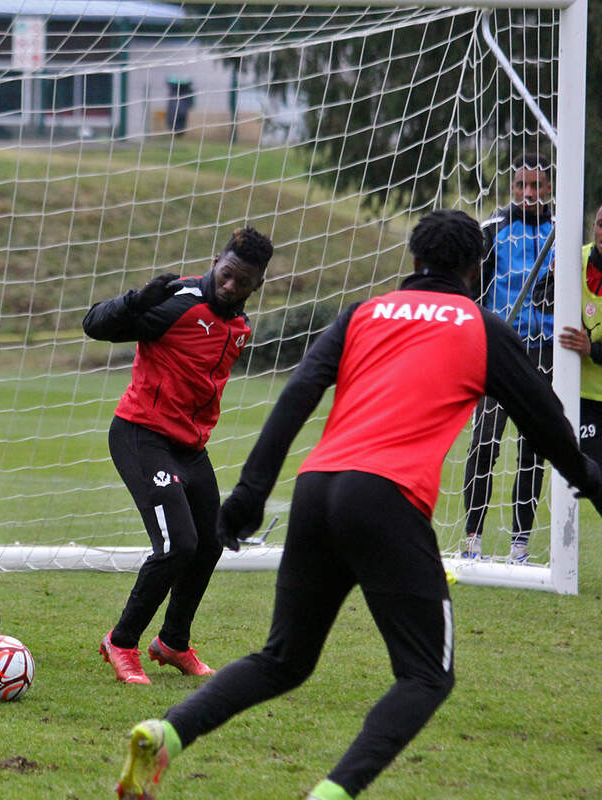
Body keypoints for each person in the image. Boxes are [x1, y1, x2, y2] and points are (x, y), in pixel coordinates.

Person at [113, 209, 602, 800]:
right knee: (426, 675)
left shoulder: (364, 313)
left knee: (283, 660)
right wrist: (591, 481)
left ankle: (166, 733)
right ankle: (333, 793)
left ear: (414, 262)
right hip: (387, 499)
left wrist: (249, 495)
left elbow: (297, 395)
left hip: (318, 490)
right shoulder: (482, 327)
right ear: (477, 268)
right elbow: (547, 428)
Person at [83, 227, 274, 684]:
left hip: (188, 447)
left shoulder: (239, 326)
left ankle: (172, 642)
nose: (230, 286)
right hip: (140, 434)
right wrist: (134, 300)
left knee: (211, 542)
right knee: (176, 545)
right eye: (226, 274)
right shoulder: (176, 301)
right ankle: (122, 642)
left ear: (256, 286)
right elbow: (94, 325)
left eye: (242, 282)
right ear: (216, 261)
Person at [462, 153, 555, 563]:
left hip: (546, 352)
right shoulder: (492, 230)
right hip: (497, 349)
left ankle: (520, 545)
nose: (529, 193)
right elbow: (468, 291)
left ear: (549, 188)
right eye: (522, 185)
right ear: (511, 187)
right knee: (485, 442)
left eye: (537, 186)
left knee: (534, 448)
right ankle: (472, 540)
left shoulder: (560, 232)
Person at [536, 203, 602, 466]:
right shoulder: (577, 260)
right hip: (582, 393)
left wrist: (592, 350)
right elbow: (539, 300)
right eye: (600, 224)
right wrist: (555, 279)